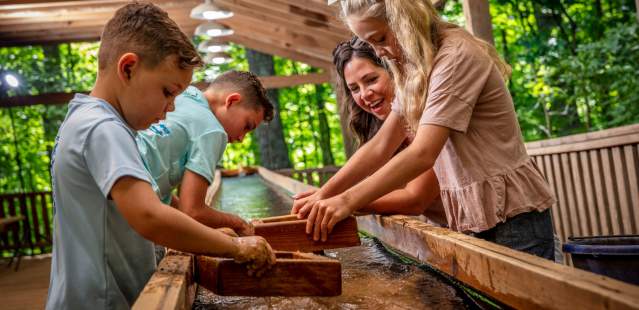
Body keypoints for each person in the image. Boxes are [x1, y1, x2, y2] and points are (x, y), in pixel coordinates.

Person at [46, 3, 275, 309]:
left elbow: (152, 199)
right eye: (167, 92)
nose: (170, 109)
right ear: (128, 68)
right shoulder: (103, 129)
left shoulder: (85, 119)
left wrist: (207, 234)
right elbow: (149, 216)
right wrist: (235, 246)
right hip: (102, 300)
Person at [293, 0, 556, 261]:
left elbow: (423, 153)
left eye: (380, 38)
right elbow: (381, 145)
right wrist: (323, 195)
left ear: (404, 19)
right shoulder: (415, 66)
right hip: (474, 218)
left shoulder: (456, 57)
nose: (379, 52)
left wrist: (347, 201)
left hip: (514, 218)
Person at [294, 37, 444, 224]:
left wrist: (344, 202)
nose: (364, 94)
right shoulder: (382, 128)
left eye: (371, 80)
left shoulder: (430, 115)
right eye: (354, 89)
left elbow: (414, 199)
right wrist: (326, 195)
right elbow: (378, 148)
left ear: (397, 72)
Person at [137, 70, 274, 237]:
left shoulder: (184, 96)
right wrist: (238, 222)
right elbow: (192, 211)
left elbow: (159, 185)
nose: (241, 138)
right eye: (247, 126)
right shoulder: (213, 131)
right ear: (232, 101)